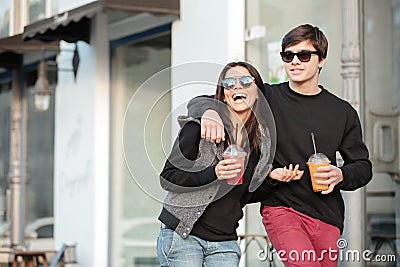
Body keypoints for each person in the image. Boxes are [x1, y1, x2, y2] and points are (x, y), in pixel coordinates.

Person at [187, 24, 373, 266]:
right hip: (281, 208)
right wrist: (210, 111)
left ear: (322, 60)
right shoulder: (267, 98)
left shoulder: (343, 112)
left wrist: (340, 174)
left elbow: (363, 166)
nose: (294, 61)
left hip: (328, 216)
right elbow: (212, 97)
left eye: (303, 55)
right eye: (288, 55)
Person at [157, 61, 302, 267]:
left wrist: (270, 179)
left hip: (225, 242)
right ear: (223, 93)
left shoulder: (261, 141)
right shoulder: (198, 127)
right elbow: (168, 178)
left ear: (258, 93)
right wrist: (213, 173)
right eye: (229, 83)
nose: (237, 87)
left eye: (245, 81)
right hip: (183, 236)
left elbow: (244, 195)